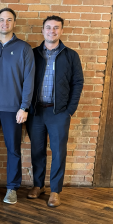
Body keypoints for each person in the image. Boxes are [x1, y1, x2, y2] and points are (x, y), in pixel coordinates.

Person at [0, 8, 35, 204]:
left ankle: (12, 188)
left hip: (13, 110)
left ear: (14, 23)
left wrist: (24, 107)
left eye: (9, 20)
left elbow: (29, 80)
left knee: (13, 150)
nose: (5, 23)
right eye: (1, 20)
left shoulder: (24, 49)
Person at [26, 16, 84, 207]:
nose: (52, 31)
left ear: (61, 31)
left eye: (56, 28)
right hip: (36, 111)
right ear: (42, 31)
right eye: (48, 28)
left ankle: (55, 191)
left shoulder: (70, 55)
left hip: (58, 112)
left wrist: (70, 110)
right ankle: (38, 185)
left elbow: (77, 83)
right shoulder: (33, 54)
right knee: (37, 150)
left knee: (58, 152)